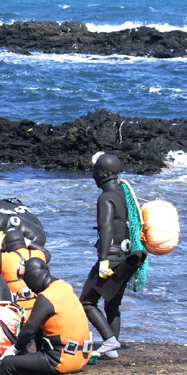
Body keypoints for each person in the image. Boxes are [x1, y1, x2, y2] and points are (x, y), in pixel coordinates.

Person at [80, 153, 147, 358]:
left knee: (86, 302)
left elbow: (106, 229)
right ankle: (112, 349)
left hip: (112, 258)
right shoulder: (123, 193)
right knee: (113, 304)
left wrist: (103, 260)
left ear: (101, 174)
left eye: (95, 171)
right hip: (128, 257)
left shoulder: (105, 198)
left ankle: (109, 341)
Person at [0, 258, 92, 375]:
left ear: (34, 277)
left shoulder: (46, 297)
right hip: (82, 357)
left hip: (61, 360)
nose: (29, 288)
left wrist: (14, 349)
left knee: (9, 363)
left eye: (28, 282)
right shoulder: (65, 287)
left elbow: (30, 329)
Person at [0, 228, 51, 312]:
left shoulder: (4, 258)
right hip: (38, 308)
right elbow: (47, 252)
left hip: (16, 309)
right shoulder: (39, 255)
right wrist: (29, 243)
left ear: (5, 245)